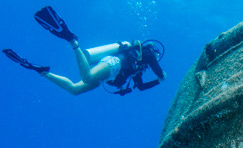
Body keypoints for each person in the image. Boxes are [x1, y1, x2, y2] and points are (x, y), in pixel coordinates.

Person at [3, 6, 165, 96]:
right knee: (86, 77)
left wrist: (157, 82)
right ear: (153, 50)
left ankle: (43, 72)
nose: (156, 57)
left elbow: (141, 87)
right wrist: (161, 76)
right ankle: (72, 40)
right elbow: (156, 67)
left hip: (109, 75)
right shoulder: (147, 53)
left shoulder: (139, 68)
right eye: (157, 54)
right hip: (113, 63)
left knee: (75, 90)